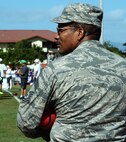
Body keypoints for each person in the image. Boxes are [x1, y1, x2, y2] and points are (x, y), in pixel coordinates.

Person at [17, 3, 126, 142]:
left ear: (79, 32)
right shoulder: (123, 66)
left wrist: (49, 125)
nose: (56, 36)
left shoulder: (56, 69)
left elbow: (26, 122)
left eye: (61, 30)